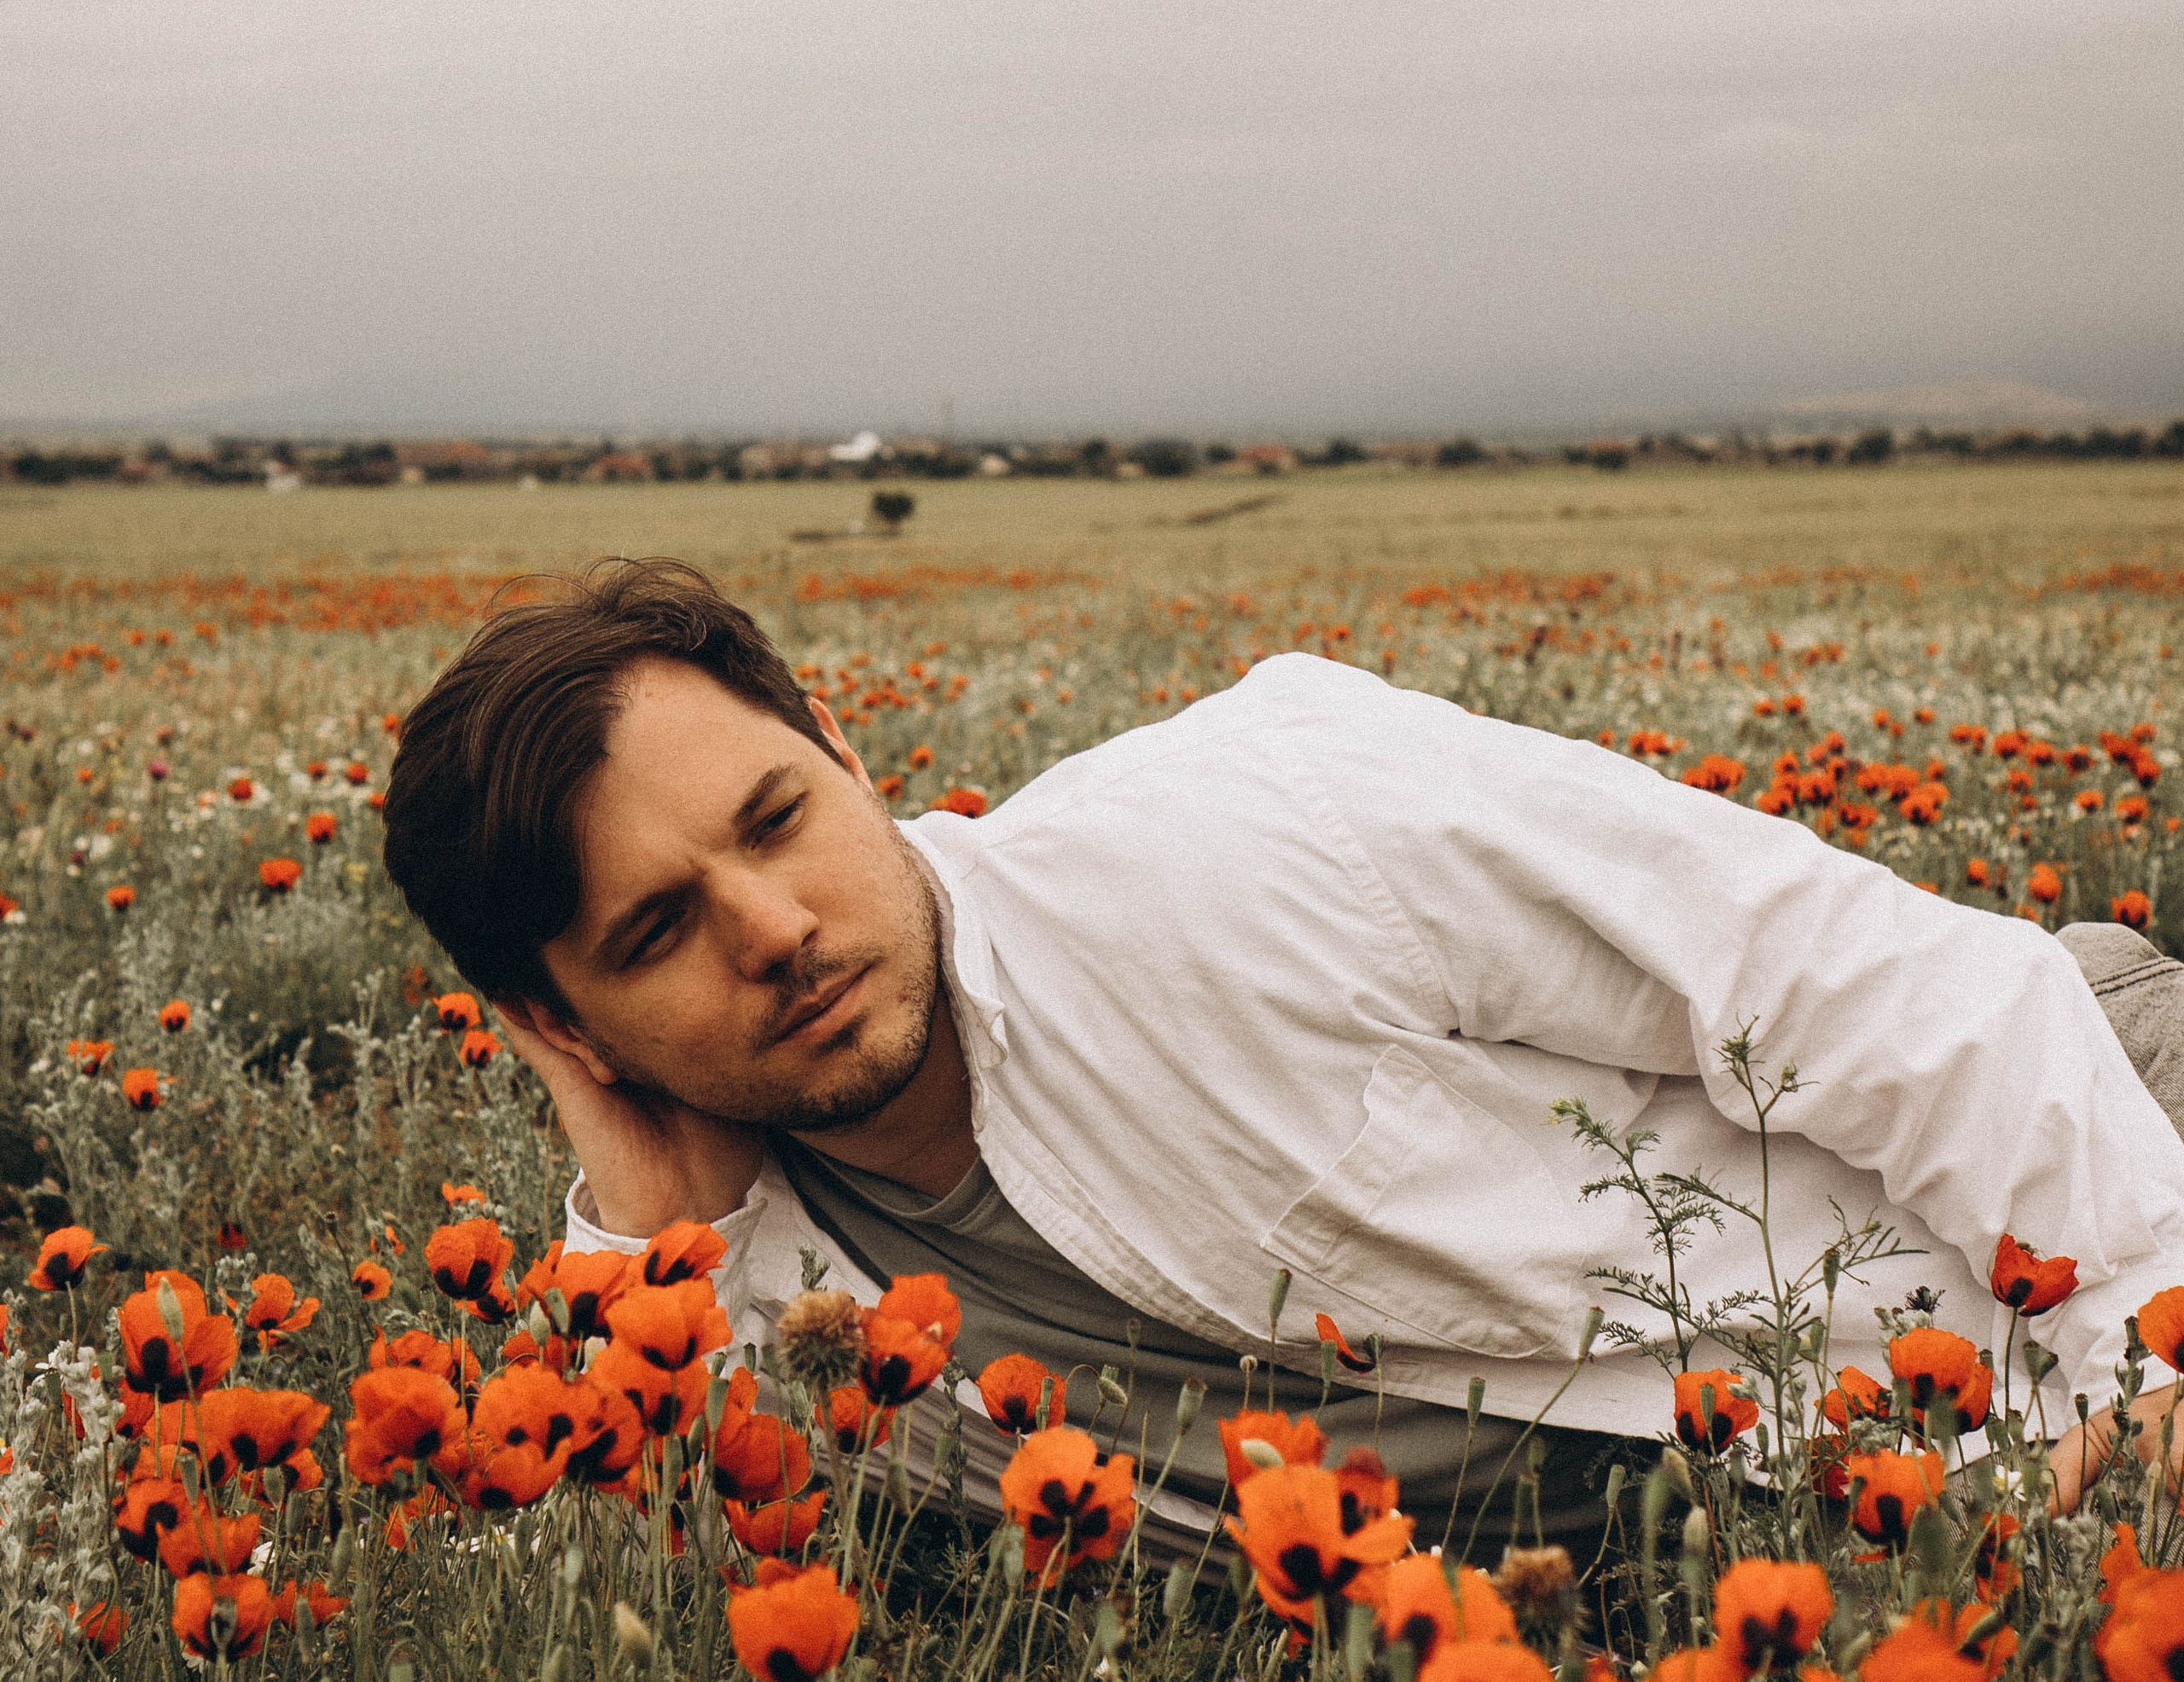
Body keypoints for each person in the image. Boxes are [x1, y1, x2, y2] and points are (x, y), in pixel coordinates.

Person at [380, 559, 2184, 1555]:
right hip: (1813, 1498)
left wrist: (2142, 1343)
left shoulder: (1259, 822)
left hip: (2073, 1158)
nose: (767, 927)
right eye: (653, 936)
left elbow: (1841, 982)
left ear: (843, 746)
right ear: (560, 1026)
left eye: (774, 819)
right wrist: (639, 1240)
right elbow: (602, 1596)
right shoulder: (767, 1290)